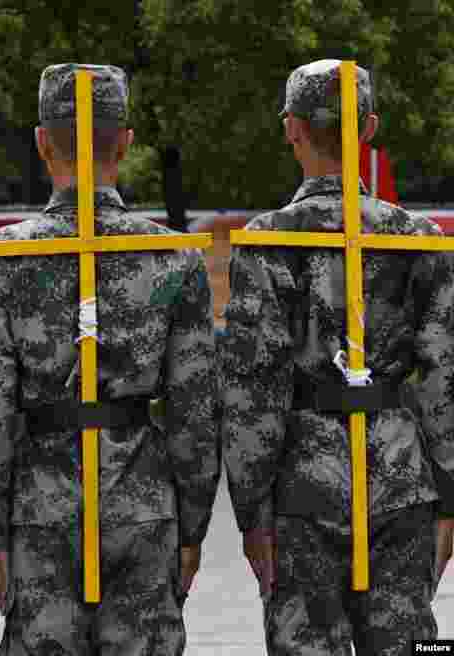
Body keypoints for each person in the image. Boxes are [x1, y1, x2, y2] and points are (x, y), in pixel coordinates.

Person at [0, 63, 219, 654]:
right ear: (125, 142)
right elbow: (195, 411)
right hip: (142, 501)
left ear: (42, 142)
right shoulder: (173, 257)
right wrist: (192, 525)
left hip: (39, 503)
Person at [222, 59, 454, 654]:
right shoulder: (421, 240)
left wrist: (252, 511)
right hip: (403, 481)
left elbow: (254, 389)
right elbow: (442, 377)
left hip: (303, 488)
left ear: (291, 128)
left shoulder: (266, 241)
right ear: (369, 127)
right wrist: (449, 496)